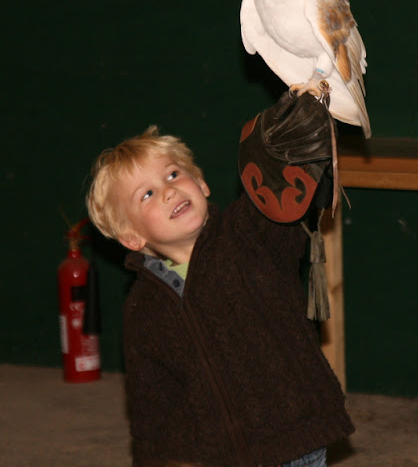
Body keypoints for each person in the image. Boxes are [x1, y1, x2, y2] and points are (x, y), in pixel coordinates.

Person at [86, 104, 354, 467]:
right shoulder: (142, 308)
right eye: (146, 194)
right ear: (132, 237)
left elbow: (280, 205)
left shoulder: (247, 233)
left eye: (173, 174)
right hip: (218, 456)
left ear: (201, 184)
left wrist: (291, 146)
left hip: (295, 435)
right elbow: (151, 404)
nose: (168, 191)